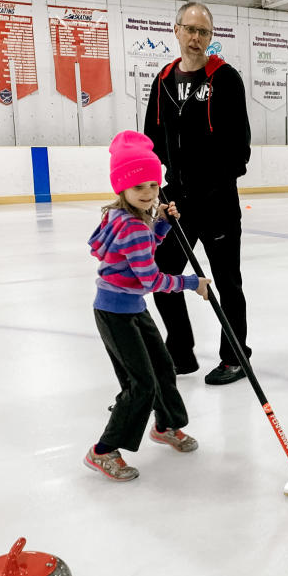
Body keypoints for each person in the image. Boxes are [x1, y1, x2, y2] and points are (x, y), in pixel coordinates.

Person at [84, 131, 210, 481]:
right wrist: (192, 283)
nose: (148, 193)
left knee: (163, 367)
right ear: (121, 188)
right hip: (117, 313)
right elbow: (151, 279)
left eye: (153, 185)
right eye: (139, 187)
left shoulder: (122, 216)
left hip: (128, 309)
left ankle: (166, 425)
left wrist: (163, 224)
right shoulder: (132, 225)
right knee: (141, 384)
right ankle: (103, 451)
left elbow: (140, 250)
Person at [144, 1, 252, 386]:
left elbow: (240, 149)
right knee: (162, 271)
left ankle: (235, 356)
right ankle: (181, 352)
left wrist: (213, 184)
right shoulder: (164, 81)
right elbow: (151, 142)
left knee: (227, 282)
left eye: (202, 32)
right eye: (189, 29)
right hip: (178, 201)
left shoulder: (225, 79)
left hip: (218, 200)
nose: (195, 38)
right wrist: (156, 190)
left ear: (210, 37)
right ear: (176, 30)